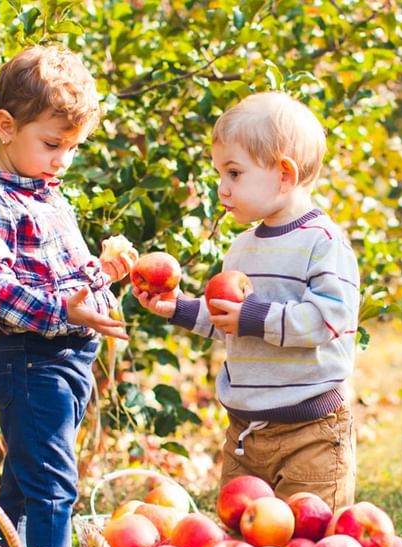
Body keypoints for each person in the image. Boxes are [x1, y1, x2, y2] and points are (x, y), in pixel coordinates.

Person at [135, 92, 360, 510]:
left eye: (234, 173)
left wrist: (253, 316)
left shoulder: (323, 243)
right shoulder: (241, 248)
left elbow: (331, 320)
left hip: (310, 430)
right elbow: (234, 326)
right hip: (245, 433)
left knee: (307, 546)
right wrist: (181, 308)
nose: (222, 188)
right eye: (220, 173)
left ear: (284, 174)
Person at [0, 44, 132, 547]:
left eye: (73, 148)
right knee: (54, 484)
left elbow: (66, 284)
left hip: (68, 363)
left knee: (26, 476)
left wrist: (106, 273)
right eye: (53, 144)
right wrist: (62, 313)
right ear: (6, 126)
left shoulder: (46, 193)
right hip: (32, 363)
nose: (63, 160)